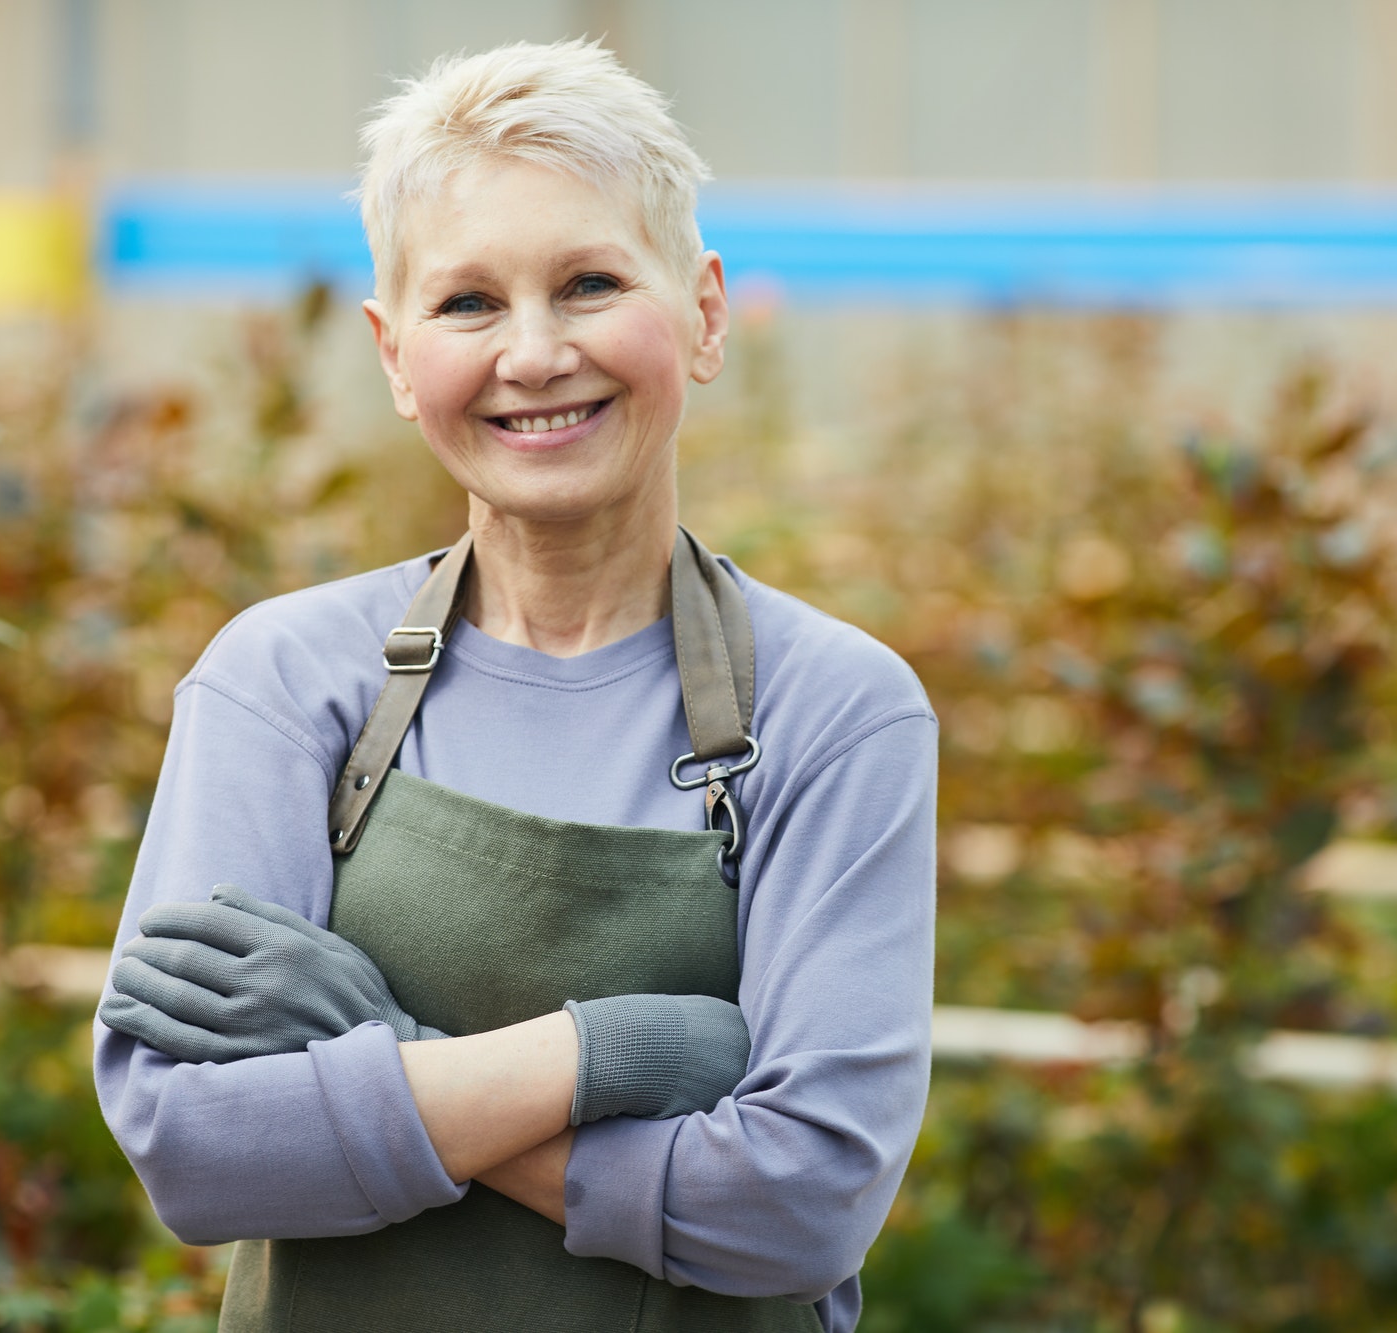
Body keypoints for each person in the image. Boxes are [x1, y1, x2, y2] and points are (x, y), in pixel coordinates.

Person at [92, 38, 937, 1333]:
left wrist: (381, 1046)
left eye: (591, 283)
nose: (534, 354)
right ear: (393, 353)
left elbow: (799, 1206)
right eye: (468, 303)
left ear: (705, 313)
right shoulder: (284, 679)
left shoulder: (832, 708)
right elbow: (194, 1147)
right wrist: (620, 1053)